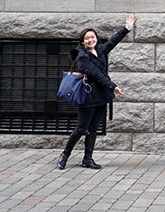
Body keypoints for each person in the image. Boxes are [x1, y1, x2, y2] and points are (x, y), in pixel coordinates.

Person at [57, 13, 135, 170]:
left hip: (101, 96)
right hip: (88, 96)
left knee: (93, 129)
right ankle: (65, 155)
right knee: (81, 128)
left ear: (96, 39)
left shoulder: (100, 50)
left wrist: (126, 28)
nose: (90, 40)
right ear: (82, 42)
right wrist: (113, 86)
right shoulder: (82, 56)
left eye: (92, 37)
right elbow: (96, 74)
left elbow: (113, 41)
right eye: (87, 38)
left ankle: (88, 158)